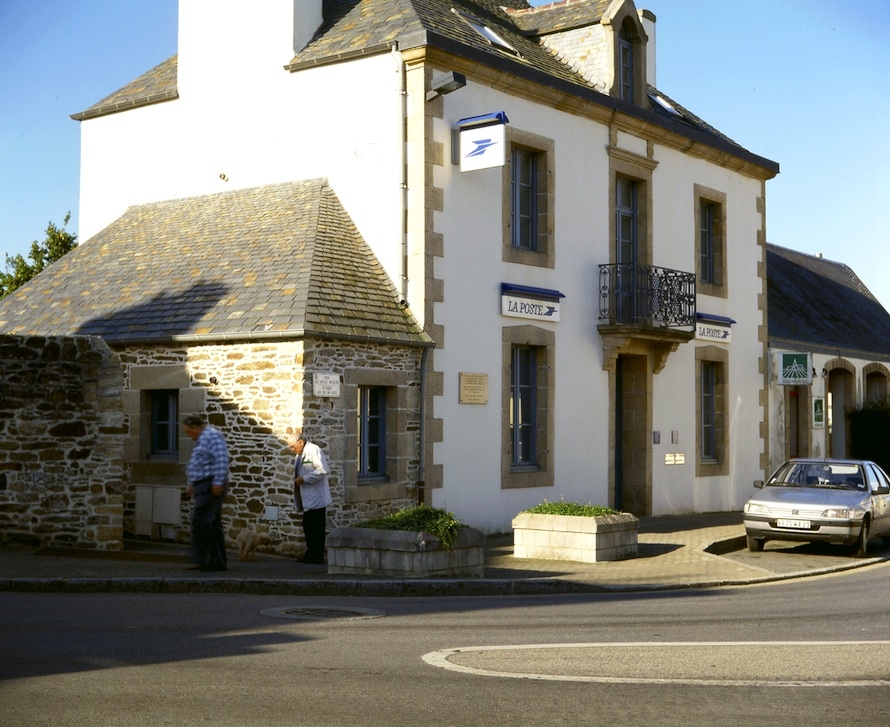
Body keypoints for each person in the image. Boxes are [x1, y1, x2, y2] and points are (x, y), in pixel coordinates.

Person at [183, 415, 230, 571]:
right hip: (203, 485)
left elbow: (221, 459)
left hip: (210, 485)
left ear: (196, 427)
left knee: (200, 520)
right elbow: (198, 463)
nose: (189, 435)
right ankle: (217, 561)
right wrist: (191, 483)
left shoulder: (212, 436)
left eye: (189, 431)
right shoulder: (201, 440)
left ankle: (200, 558)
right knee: (212, 523)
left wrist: (217, 482)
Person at [289, 432, 332, 564]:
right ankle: (311, 554)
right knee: (308, 527)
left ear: (300, 442)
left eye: (293, 446)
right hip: (307, 498)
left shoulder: (313, 450)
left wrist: (305, 479)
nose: (292, 449)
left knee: (316, 528)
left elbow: (322, 470)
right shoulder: (299, 455)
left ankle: (317, 556)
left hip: (316, 497)